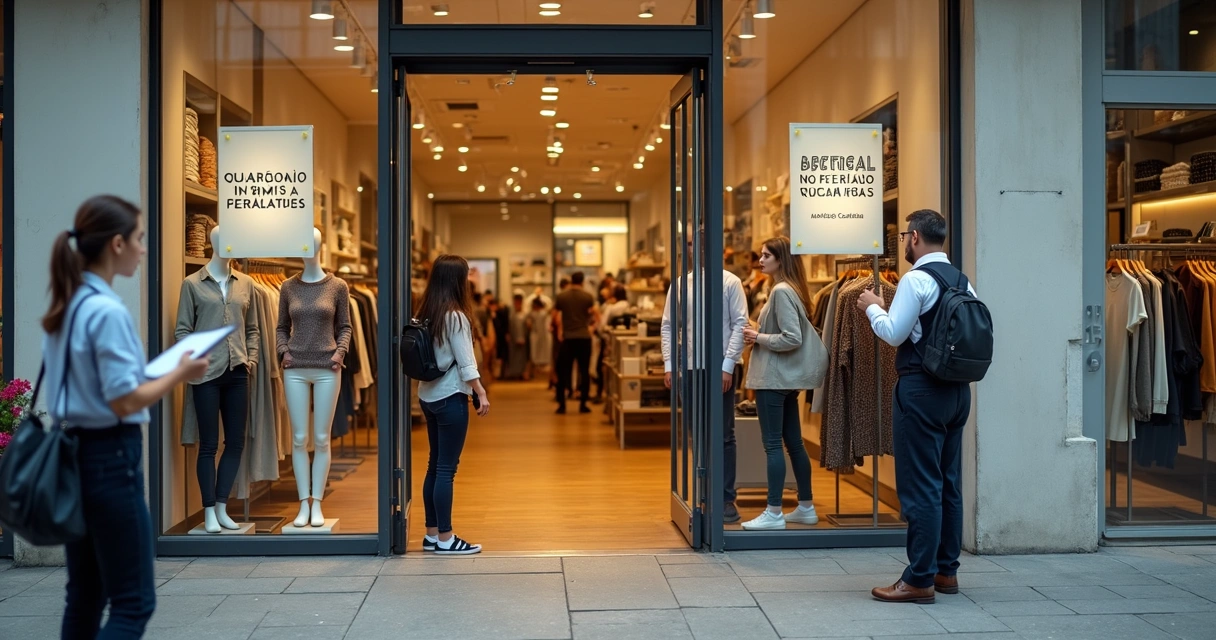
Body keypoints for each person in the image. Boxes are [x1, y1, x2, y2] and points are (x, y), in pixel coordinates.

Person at [43, 195, 210, 638]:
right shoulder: (106, 311)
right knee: (133, 602)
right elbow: (124, 402)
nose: (143, 248)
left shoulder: (69, 304)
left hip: (75, 455)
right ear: (116, 244)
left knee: (85, 593)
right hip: (110, 459)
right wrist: (181, 371)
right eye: (138, 238)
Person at [857, 209, 975, 604]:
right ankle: (945, 571)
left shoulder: (916, 279)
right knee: (948, 483)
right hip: (958, 393)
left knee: (921, 485)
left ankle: (919, 578)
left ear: (915, 238)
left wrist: (873, 305)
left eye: (906, 235)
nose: (904, 241)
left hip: (921, 390)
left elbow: (893, 334)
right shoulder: (962, 280)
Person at [741, 237, 828, 530]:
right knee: (794, 443)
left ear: (781, 260)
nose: (761, 260)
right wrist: (759, 331)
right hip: (786, 380)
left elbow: (793, 338)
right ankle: (805, 506)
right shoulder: (791, 289)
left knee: (772, 445)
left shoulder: (779, 291)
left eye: (767, 255)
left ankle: (774, 511)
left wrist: (757, 337)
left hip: (773, 379)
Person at [662, 236, 749, 523]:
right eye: (690, 244)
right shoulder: (679, 284)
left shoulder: (730, 282)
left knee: (723, 435)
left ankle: (725, 499)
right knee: (696, 434)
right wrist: (669, 364)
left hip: (719, 368)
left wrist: (727, 365)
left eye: (702, 243)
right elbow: (668, 326)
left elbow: (740, 324)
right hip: (688, 369)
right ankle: (703, 493)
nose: (697, 249)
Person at [416, 254, 491, 555]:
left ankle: (432, 534)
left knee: (434, 465)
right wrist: (480, 392)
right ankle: (446, 538)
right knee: (447, 468)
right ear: (458, 281)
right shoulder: (456, 315)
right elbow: (466, 362)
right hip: (450, 397)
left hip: (427, 395)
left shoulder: (426, 311)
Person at [554, 271, 599, 414]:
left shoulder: (562, 296)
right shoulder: (588, 297)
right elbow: (595, 315)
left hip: (568, 338)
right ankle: (583, 405)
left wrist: (559, 331)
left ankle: (562, 404)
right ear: (582, 281)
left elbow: (555, 316)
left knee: (563, 371)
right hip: (584, 338)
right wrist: (591, 328)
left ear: (571, 280)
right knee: (584, 372)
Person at [503, 293, 529, 380]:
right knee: (513, 355)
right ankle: (513, 372)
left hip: (522, 336)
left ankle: (521, 372)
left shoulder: (524, 312)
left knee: (521, 356)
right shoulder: (510, 311)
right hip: (512, 336)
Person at [526, 297, 552, 380]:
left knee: (538, 354)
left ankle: (537, 372)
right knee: (536, 354)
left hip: (541, 335)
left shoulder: (542, 314)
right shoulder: (534, 314)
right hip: (537, 335)